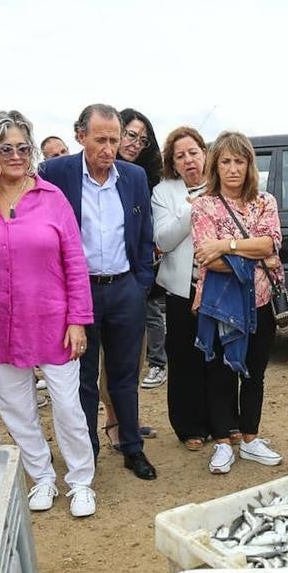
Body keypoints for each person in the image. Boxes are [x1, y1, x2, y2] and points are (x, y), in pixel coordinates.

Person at [0, 110, 97, 517]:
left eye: (23, 147)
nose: (17, 156)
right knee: (17, 409)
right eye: (6, 148)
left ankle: (80, 481)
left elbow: (75, 262)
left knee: (69, 407)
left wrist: (78, 320)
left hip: (54, 322)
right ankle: (42, 477)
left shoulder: (52, 198)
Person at [40, 104, 158, 480]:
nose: (109, 148)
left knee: (125, 376)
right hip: (80, 292)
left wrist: (140, 285)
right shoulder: (57, 173)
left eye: (114, 139)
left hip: (124, 289)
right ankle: (86, 450)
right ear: (81, 136)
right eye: (101, 139)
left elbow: (143, 235)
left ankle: (131, 447)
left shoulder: (135, 176)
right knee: (84, 377)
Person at [190, 131, 284, 473]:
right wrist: (255, 254)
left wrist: (227, 246)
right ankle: (223, 442)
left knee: (254, 373)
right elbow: (206, 257)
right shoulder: (203, 204)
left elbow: (271, 245)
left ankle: (249, 438)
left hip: (259, 303)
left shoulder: (265, 201)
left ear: (249, 165)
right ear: (216, 165)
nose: (233, 169)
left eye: (239, 161)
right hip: (219, 303)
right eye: (226, 161)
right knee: (219, 374)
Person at [153, 127, 212, 450]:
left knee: (217, 359)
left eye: (193, 152)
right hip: (181, 290)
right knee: (184, 359)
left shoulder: (222, 182)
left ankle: (220, 421)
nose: (188, 160)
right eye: (180, 156)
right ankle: (189, 427)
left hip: (219, 286)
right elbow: (162, 240)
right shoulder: (164, 192)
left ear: (204, 152)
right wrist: (194, 208)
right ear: (172, 164)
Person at [118, 109, 167, 391]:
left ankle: (157, 364)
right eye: (131, 135)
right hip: (103, 276)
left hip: (140, 269)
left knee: (133, 349)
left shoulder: (150, 179)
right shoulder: (95, 174)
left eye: (143, 140)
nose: (136, 144)